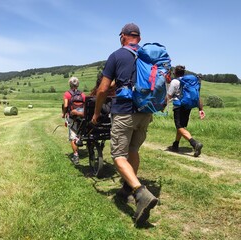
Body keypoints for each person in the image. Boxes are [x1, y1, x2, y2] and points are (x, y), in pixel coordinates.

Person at [91, 23, 158, 227]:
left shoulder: (117, 55)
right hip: (146, 111)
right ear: (138, 37)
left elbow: (102, 89)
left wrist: (96, 112)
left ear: (122, 36)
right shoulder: (148, 55)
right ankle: (127, 189)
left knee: (119, 156)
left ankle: (140, 193)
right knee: (133, 149)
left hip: (124, 111)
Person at [167, 65, 205, 156]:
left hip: (178, 106)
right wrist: (201, 109)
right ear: (184, 73)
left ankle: (194, 143)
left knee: (179, 126)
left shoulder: (175, 81)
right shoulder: (191, 82)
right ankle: (175, 144)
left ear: (175, 73)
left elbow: (169, 96)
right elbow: (198, 95)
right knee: (181, 126)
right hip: (187, 106)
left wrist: (163, 105)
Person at [62, 76, 86, 164]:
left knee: (72, 136)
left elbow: (65, 105)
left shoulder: (67, 94)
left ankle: (75, 156)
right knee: (79, 133)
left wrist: (64, 114)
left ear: (70, 84)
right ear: (78, 84)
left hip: (72, 117)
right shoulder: (82, 94)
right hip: (81, 117)